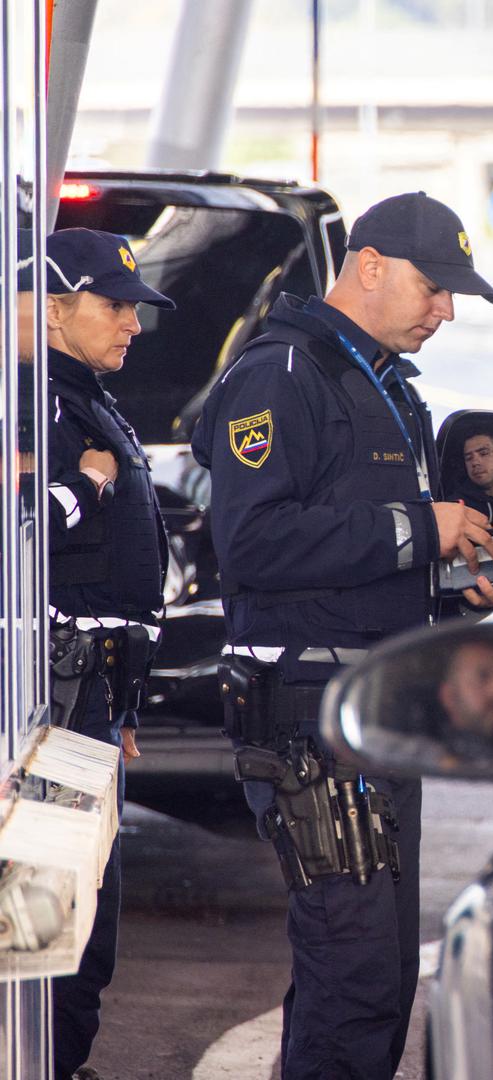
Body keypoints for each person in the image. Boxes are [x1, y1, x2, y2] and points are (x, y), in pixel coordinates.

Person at [190, 191, 493, 1080]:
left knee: (365, 979)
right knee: (358, 976)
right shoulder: (280, 374)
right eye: (433, 288)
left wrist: (454, 593)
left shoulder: (381, 384)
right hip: (313, 726)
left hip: (370, 720)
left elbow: (363, 554)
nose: (445, 311)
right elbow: (252, 544)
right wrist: (422, 528)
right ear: (368, 266)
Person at [31, 228, 175, 1080]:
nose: (133, 324)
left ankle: (58, 1059)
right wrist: (84, 483)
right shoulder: (38, 400)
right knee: (53, 925)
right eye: (115, 305)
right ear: (54, 306)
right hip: (52, 694)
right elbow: (24, 536)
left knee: (83, 921)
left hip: (87, 698)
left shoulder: (83, 395)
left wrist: (118, 706)